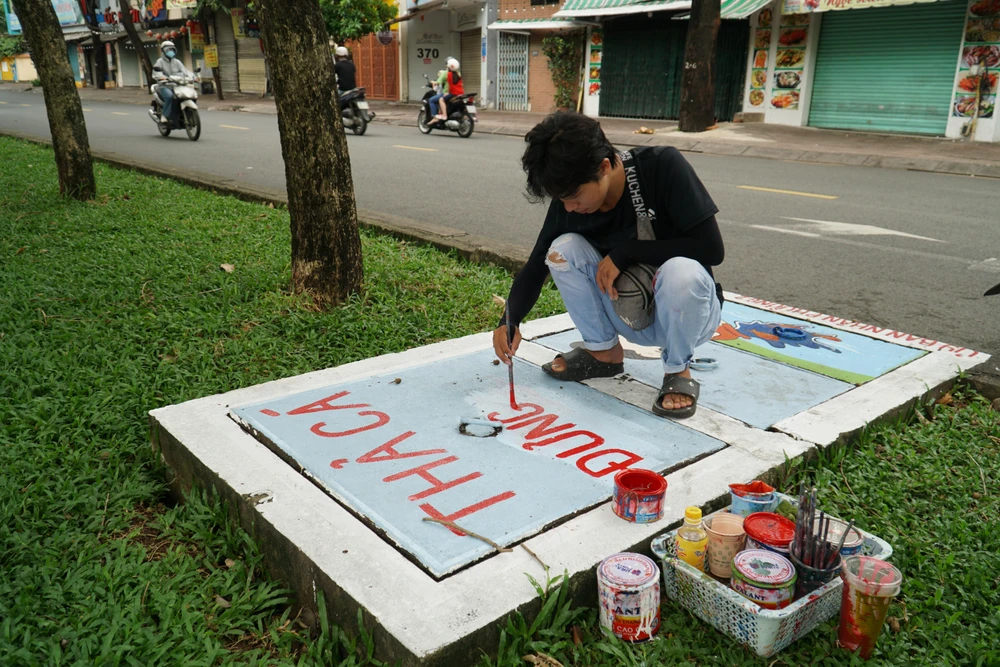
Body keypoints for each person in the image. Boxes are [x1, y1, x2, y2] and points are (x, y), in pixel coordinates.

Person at [493, 112, 725, 419]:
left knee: (681, 271)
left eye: (574, 197)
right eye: (561, 199)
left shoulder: (662, 166)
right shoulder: (570, 198)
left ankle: (677, 371)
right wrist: (509, 320)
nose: (569, 208)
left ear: (603, 167)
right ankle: (603, 353)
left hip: (686, 315)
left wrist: (626, 252)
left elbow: (711, 249)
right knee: (561, 250)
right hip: (627, 310)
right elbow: (537, 264)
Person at [151, 40, 193, 125]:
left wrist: (193, 77)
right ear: (163, 51)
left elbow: (185, 71)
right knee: (170, 97)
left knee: (187, 95)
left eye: (172, 49)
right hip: (164, 85)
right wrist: (161, 77)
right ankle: (164, 115)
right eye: (168, 50)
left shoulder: (177, 62)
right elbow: (156, 72)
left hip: (177, 85)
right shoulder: (160, 61)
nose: (171, 51)